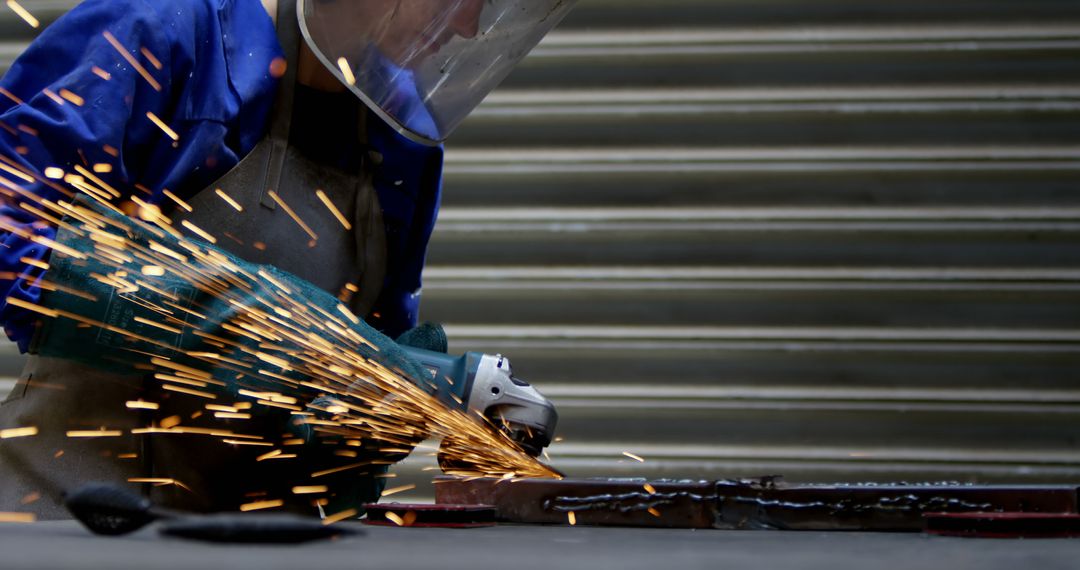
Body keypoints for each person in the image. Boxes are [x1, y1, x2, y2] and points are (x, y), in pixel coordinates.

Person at [0, 0, 576, 518]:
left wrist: (403, 399)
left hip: (264, 540)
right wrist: (258, 334)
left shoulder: (399, 139)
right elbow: (13, 237)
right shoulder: (168, 31)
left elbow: (364, 362)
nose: (468, 26)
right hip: (65, 513)